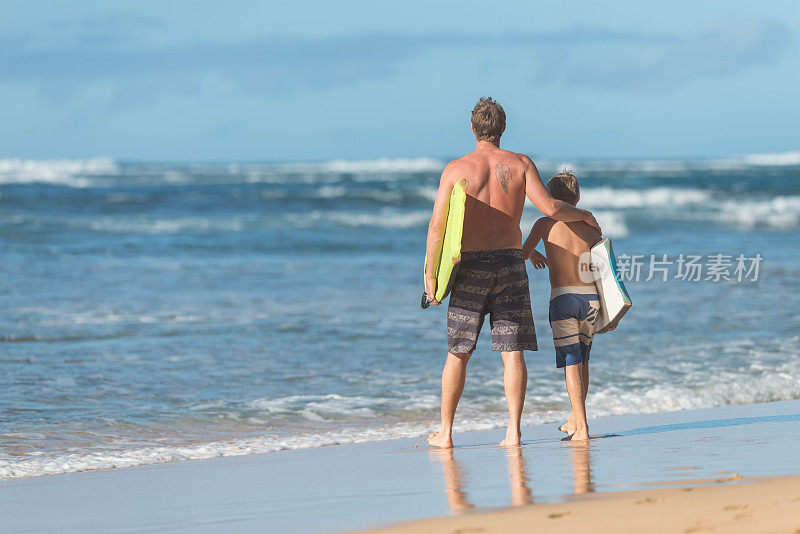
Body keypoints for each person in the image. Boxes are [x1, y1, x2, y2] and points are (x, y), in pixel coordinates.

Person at [424, 98, 600, 448]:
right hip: (510, 263)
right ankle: (513, 433)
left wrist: (431, 278)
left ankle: (445, 434)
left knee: (458, 351)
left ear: (473, 129)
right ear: (503, 129)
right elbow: (550, 208)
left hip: (470, 266)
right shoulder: (520, 164)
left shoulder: (456, 169)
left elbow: (438, 227)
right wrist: (583, 215)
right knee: (512, 352)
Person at [522, 170, 605, 442]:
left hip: (563, 299)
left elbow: (520, 253)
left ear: (549, 198)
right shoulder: (591, 227)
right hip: (591, 299)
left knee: (571, 363)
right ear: (577, 198)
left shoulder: (544, 224)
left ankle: (582, 427)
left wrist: (533, 252)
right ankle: (575, 418)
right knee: (583, 362)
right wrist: (611, 312)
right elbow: (603, 269)